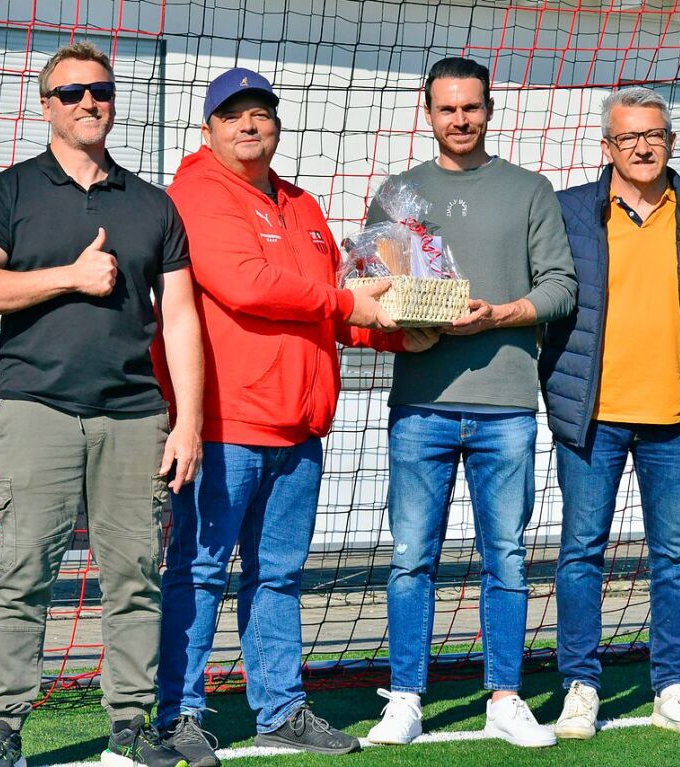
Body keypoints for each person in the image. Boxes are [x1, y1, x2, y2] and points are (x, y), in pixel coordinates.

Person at [153, 68, 439, 766]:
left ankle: (279, 708)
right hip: (224, 424)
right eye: (233, 115)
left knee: (277, 576)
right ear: (208, 129)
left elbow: (331, 301)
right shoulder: (194, 194)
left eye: (261, 114)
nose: (248, 125)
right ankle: (177, 713)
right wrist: (352, 305)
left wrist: (402, 328)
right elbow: (248, 286)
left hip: (299, 427)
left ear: (276, 126)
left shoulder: (302, 204)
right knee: (197, 571)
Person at [0, 42, 202, 767]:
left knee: (133, 579)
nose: (89, 102)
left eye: (101, 90)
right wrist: (71, 276)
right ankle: (2, 728)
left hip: (134, 416)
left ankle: (129, 723)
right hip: (38, 409)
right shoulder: (8, 192)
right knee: (23, 575)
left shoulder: (153, 204)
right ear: (46, 105)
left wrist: (187, 420)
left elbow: (180, 318)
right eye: (71, 93)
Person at [363, 57, 577, 748]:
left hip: (507, 406)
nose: (459, 119)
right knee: (409, 558)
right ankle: (404, 697)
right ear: (427, 113)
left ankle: (505, 695)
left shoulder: (528, 190)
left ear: (490, 109)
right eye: (446, 108)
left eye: (471, 107)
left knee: (506, 557)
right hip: (420, 405)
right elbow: (366, 290)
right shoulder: (397, 195)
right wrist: (405, 318)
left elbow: (559, 287)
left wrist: (502, 313)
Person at [539, 86, 680, 740]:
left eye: (653, 134)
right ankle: (580, 685)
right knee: (580, 553)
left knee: (676, 554)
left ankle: (672, 687)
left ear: (669, 142)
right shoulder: (568, 211)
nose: (643, 146)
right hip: (592, 416)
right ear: (607, 147)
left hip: (675, 415)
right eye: (628, 137)